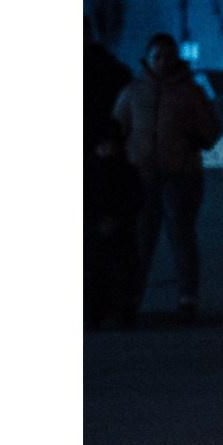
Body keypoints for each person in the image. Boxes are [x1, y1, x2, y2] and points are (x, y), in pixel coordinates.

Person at [118, 31, 222, 322]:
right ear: (148, 58)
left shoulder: (190, 92)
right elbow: (118, 126)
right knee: (142, 238)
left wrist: (193, 140)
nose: (162, 61)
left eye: (167, 56)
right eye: (157, 56)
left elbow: (212, 129)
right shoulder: (135, 91)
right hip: (143, 176)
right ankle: (131, 298)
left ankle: (188, 298)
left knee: (181, 236)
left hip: (181, 175)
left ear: (176, 59)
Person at [85, 122, 144, 328]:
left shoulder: (125, 170)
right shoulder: (90, 171)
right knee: (96, 273)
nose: (108, 150)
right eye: (104, 145)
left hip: (117, 230)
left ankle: (119, 313)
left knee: (119, 273)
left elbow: (135, 199)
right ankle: (95, 314)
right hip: (99, 230)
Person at [85, 20, 133, 150]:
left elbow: (120, 114)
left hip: (99, 147)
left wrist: (110, 137)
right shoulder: (112, 70)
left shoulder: (111, 71)